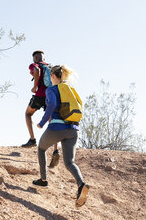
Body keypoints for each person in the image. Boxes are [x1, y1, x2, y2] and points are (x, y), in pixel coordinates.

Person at [32, 65, 89, 207]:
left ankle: (43, 180)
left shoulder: (52, 89)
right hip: (73, 130)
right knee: (70, 162)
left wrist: (42, 122)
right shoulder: (70, 89)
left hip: (57, 127)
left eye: (50, 77)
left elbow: (51, 104)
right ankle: (81, 184)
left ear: (52, 76)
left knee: (41, 148)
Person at [22, 51, 60, 168]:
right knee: (51, 120)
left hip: (40, 95)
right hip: (51, 95)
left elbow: (36, 71)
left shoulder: (35, 65)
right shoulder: (50, 67)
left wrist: (34, 87)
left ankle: (32, 139)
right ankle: (55, 150)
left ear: (36, 58)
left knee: (28, 114)